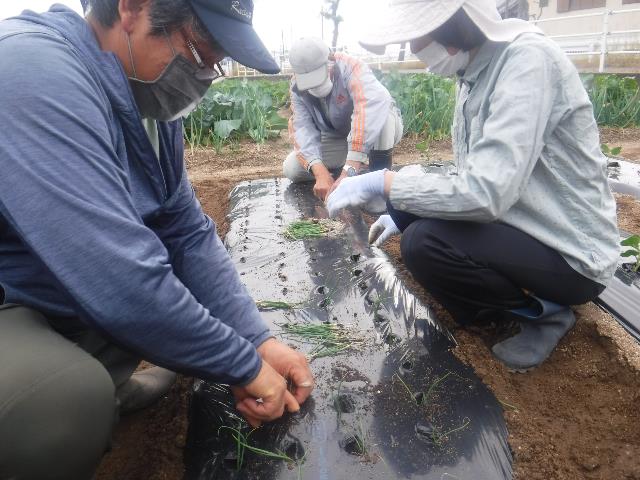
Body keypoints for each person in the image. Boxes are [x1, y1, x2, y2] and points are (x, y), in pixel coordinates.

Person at [0, 1, 313, 478]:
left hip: (55, 297)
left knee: (160, 299)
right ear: (131, 7)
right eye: (198, 50)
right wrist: (240, 365)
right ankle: (64, 392)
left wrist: (257, 341)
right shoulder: (31, 70)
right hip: (12, 302)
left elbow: (184, 231)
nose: (205, 75)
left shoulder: (146, 100)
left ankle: (104, 385)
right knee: (56, 412)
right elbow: (115, 279)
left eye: (216, 62)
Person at [327, 0, 619, 372]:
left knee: (425, 242)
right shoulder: (474, 72)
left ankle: (544, 315)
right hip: (521, 222)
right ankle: (492, 309)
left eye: (416, 39)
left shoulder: (527, 63)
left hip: (571, 250)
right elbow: (466, 171)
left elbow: (485, 194)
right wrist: (401, 212)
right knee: (414, 225)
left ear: (453, 30)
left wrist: (387, 183)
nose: (414, 51)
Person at [284, 37, 403, 203]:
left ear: (330, 61)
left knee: (385, 114)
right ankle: (354, 172)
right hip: (338, 137)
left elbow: (369, 108)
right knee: (292, 169)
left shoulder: (351, 67)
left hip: (373, 134)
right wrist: (320, 172)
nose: (315, 87)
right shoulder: (296, 86)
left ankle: (377, 182)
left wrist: (349, 170)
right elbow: (302, 128)